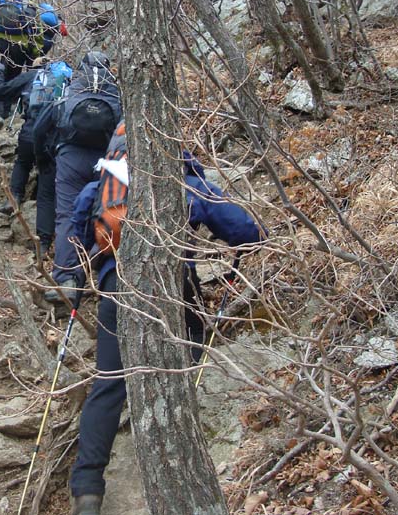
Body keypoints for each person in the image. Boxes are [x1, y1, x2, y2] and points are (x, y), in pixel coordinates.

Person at [65, 125, 264, 515]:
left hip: (116, 292)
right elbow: (244, 231)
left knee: (108, 385)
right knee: (186, 350)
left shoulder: (98, 191)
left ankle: (87, 488)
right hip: (173, 292)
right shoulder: (185, 184)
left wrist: (73, 280)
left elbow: (74, 250)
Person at [31, 51, 122, 297]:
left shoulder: (70, 92)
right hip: (107, 160)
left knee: (68, 216)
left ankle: (68, 280)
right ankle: (105, 275)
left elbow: (39, 130)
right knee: (106, 211)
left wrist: (44, 158)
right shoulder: (116, 95)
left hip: (70, 159)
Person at [0, 58, 73, 259]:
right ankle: (43, 243)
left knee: (23, 161)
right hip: (53, 138)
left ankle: (14, 197)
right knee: (46, 189)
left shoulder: (32, 77)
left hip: (29, 132)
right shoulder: (71, 82)